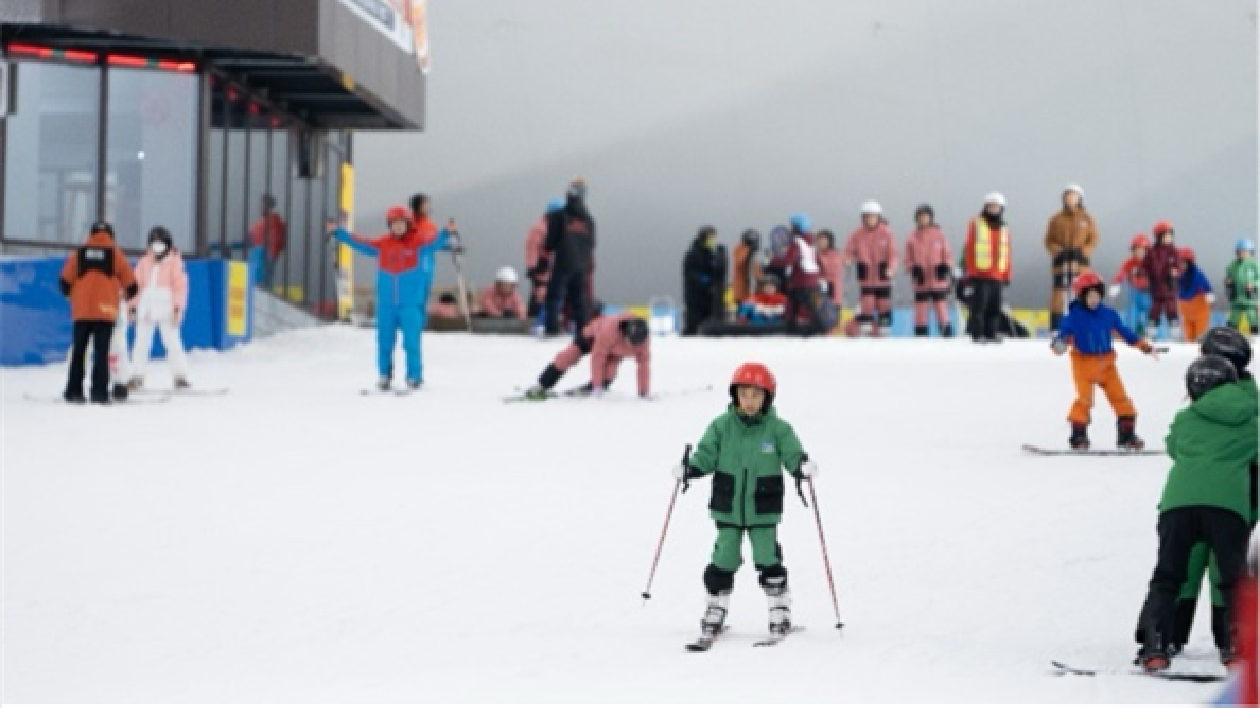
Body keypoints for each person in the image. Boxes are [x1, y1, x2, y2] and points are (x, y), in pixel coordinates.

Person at [673, 362, 817, 639]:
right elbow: (706, 455)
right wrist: (691, 469)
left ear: (768, 397)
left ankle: (779, 609)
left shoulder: (778, 430)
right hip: (728, 505)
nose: (750, 401)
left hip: (763, 506)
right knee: (724, 557)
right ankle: (716, 607)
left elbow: (792, 453)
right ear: (735, 395)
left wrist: (801, 466)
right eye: (744, 394)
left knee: (767, 556)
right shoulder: (721, 426)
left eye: (757, 395)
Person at [1134, 354, 1256, 671]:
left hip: (1179, 503)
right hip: (1228, 506)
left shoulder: (1187, 416)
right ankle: (1235, 649)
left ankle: (1155, 647)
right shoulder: (1250, 419)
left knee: (1168, 575)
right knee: (1232, 579)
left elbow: (1174, 446)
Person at [1161, 327, 1259, 657]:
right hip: (1234, 497)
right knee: (1220, 566)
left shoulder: (1227, 400)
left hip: (1229, 494)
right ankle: (1228, 640)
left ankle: (1172, 636)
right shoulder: (1244, 396)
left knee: (1198, 564)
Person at [330, 206, 435, 390]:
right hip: (387, 304)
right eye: (394, 224)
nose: (397, 227)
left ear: (408, 224)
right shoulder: (383, 244)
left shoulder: (417, 244)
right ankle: (384, 374)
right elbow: (361, 243)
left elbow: (434, 242)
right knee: (384, 341)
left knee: (411, 342)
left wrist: (447, 233)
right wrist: (340, 234)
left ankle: (414, 376)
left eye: (401, 223)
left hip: (410, 304)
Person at [1051, 272, 1157, 450]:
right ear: (1081, 296)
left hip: (1107, 365)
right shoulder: (1073, 317)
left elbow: (1124, 332)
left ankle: (1127, 434)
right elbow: (1063, 336)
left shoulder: (1109, 315)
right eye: (1089, 295)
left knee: (1120, 398)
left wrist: (1143, 346)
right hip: (1083, 365)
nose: (1094, 299)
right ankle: (1078, 435)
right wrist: (1059, 344)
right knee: (1084, 400)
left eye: (1097, 295)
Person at [59, 221, 138, 404]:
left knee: (79, 351)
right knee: (101, 352)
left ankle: (74, 391)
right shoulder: (114, 253)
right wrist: (124, 295)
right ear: (111, 235)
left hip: (82, 312)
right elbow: (131, 284)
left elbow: (64, 282)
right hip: (105, 311)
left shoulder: (79, 253)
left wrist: (75, 296)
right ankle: (99, 393)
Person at [524, 306, 653, 400]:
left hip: (615, 351)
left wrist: (643, 392)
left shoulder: (643, 342)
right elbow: (597, 359)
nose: (634, 346)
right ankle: (543, 384)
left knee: (609, 373)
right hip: (592, 337)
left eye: (637, 344)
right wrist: (597, 387)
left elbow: (644, 367)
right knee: (568, 356)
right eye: (631, 342)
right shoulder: (609, 331)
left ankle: (596, 386)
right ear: (626, 334)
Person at [127, 226, 191, 390]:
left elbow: (180, 287)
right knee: (140, 343)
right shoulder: (144, 262)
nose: (157, 247)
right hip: (146, 308)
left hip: (166, 309)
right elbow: (136, 285)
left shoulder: (174, 262)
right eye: (154, 243)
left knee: (172, 342)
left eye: (160, 243)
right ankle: (137, 375)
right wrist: (132, 306)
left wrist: (177, 309)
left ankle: (180, 376)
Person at [543, 178, 596, 337]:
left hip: (563, 263)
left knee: (554, 296)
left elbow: (550, 242)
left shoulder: (559, 216)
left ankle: (552, 329)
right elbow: (592, 243)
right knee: (579, 299)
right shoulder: (589, 220)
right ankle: (584, 331)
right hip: (582, 265)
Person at [1043, 183, 1098, 330]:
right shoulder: (1056, 218)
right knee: (1059, 295)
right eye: (1068, 196)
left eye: (1074, 196)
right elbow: (1049, 240)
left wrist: (1084, 251)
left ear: (1080, 198)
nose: (1070, 199)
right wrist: (1057, 250)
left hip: (1080, 263)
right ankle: (1057, 326)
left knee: (1082, 293)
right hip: (1061, 262)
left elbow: (1093, 239)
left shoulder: (1087, 218)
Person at [961, 193, 1012, 343]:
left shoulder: (1004, 227)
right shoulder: (976, 223)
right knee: (979, 306)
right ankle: (978, 333)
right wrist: (971, 271)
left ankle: (991, 333)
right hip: (981, 274)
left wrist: (1007, 274)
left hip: (998, 275)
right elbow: (969, 249)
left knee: (994, 307)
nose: (993, 209)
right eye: (990, 206)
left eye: (996, 207)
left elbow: (1007, 251)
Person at [843, 201, 898, 336]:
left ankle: (884, 330)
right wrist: (847, 259)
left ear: (878, 217)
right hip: (866, 274)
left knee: (883, 303)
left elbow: (893, 254)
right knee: (867, 302)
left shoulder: (887, 233)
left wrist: (891, 269)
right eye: (867, 216)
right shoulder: (856, 233)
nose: (870, 219)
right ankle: (866, 329)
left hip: (882, 274)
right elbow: (849, 250)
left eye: (873, 216)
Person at [409, 193, 459, 333]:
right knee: (413, 297)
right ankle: (412, 324)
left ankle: (421, 325)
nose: (429, 208)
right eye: (425, 205)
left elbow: (435, 243)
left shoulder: (430, 225)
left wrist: (450, 243)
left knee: (423, 296)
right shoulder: (410, 225)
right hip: (412, 266)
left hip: (427, 267)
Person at [903, 204, 954, 337]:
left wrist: (945, 266)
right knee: (920, 308)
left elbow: (947, 254)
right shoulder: (912, 237)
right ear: (916, 219)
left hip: (937, 278)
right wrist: (913, 268)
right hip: (921, 280)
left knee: (940, 306)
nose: (923, 219)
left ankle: (946, 331)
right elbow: (907, 258)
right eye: (920, 217)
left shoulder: (939, 235)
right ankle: (921, 332)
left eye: (925, 217)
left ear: (931, 218)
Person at [770, 214, 824, 336]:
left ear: (797, 227)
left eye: (791, 225)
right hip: (812, 279)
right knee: (807, 305)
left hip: (800, 279)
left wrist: (774, 260)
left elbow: (789, 260)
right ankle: (816, 327)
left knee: (794, 305)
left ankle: (794, 329)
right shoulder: (810, 243)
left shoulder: (797, 242)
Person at [682, 226, 726, 335]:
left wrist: (722, 259)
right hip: (695, 295)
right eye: (710, 237)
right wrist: (704, 280)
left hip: (709, 295)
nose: (713, 240)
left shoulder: (711, 254)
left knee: (708, 319)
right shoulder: (693, 253)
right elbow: (690, 273)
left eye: (714, 237)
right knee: (694, 322)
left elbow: (717, 271)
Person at [1143, 221, 1181, 340]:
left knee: (1171, 310)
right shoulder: (1152, 251)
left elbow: (1178, 266)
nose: (1168, 238)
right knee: (1154, 310)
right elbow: (1146, 265)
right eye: (1165, 236)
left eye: (1170, 235)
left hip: (1169, 287)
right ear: (1159, 237)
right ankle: (1150, 333)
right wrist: (1143, 273)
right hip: (1156, 288)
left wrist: (1175, 271)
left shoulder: (1173, 251)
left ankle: (1175, 334)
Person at [525, 199, 563, 319]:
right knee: (540, 294)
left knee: (553, 294)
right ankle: (533, 319)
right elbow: (531, 247)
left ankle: (550, 319)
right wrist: (533, 267)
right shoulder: (540, 228)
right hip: (541, 267)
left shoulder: (557, 227)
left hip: (553, 268)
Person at [1109, 234, 1152, 337]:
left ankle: (1149, 334)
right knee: (1131, 315)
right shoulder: (1129, 262)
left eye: (1143, 250)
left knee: (1150, 316)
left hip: (1150, 294)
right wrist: (1116, 284)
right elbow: (1121, 273)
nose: (1140, 253)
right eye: (1137, 250)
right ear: (1133, 250)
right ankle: (1130, 333)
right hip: (1134, 293)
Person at [1175, 248, 1214, 342]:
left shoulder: (1198, 275)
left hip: (1199, 310)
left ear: (1190, 262)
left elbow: (1208, 287)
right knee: (1188, 337)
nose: (1183, 265)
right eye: (1181, 262)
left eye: (1185, 262)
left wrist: (1210, 298)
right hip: (1186, 310)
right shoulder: (1180, 276)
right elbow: (1176, 289)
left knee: (1201, 336)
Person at [248, 194, 287, 287]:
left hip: (263, 256)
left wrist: (271, 255)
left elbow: (276, 241)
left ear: (266, 206)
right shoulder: (266, 221)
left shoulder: (272, 222)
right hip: (258, 256)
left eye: (261, 205)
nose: (259, 207)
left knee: (262, 285)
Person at [1226, 237, 1259, 334]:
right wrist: (1228, 282)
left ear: (1250, 252)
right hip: (1236, 298)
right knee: (1234, 318)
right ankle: (1231, 335)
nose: (1242, 254)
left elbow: (1259, 279)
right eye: (1240, 251)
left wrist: (1254, 285)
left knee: (1252, 317)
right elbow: (1229, 278)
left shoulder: (1254, 265)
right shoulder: (1231, 266)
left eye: (1245, 251)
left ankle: (1255, 334)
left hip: (1250, 299)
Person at [815, 230, 844, 315]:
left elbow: (832, 271)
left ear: (829, 241)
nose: (821, 242)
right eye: (819, 240)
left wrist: (818, 259)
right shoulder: (816, 254)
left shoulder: (835, 254)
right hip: (818, 291)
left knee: (831, 320)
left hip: (832, 290)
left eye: (823, 240)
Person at [732, 229, 764, 304]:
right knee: (742, 310)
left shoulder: (754, 256)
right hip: (742, 289)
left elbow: (757, 273)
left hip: (752, 290)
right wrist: (749, 251)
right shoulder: (740, 249)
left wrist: (762, 279)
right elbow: (740, 262)